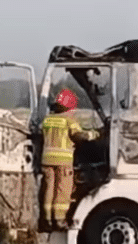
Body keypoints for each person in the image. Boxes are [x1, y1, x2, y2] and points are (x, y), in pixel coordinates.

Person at [40, 89, 100, 230]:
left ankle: (47, 219)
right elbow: (80, 136)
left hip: (47, 161)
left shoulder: (48, 120)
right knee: (63, 190)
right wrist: (95, 134)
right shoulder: (69, 120)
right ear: (70, 106)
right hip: (63, 162)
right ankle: (60, 220)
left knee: (49, 189)